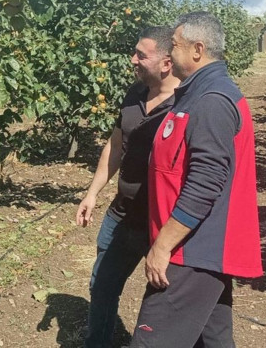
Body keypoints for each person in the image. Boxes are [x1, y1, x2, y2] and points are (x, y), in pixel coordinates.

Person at [130, 12, 262, 347]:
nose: (169, 53)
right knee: (213, 339)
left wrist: (163, 245)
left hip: (192, 251)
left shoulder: (212, 101)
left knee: (151, 341)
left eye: (174, 46)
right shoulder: (197, 93)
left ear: (197, 50)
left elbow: (205, 183)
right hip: (196, 247)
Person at [76, 26, 180, 348]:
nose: (132, 59)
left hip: (163, 225)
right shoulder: (135, 93)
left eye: (140, 55)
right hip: (122, 215)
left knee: (166, 302)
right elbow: (117, 145)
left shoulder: (187, 103)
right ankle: (99, 341)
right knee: (102, 284)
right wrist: (93, 193)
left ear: (166, 62)